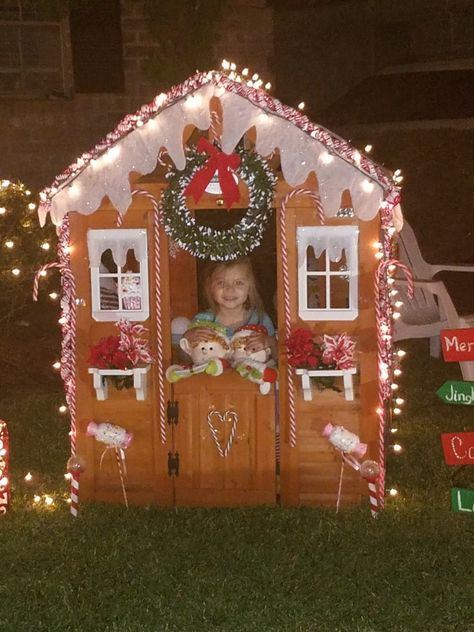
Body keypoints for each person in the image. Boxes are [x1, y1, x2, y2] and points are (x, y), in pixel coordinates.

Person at [184, 257, 277, 358]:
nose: (230, 289)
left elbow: (278, 358)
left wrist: (269, 342)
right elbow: (185, 360)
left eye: (238, 283)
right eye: (221, 283)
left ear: (250, 287)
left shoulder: (260, 319)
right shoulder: (202, 320)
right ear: (210, 286)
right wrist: (188, 337)